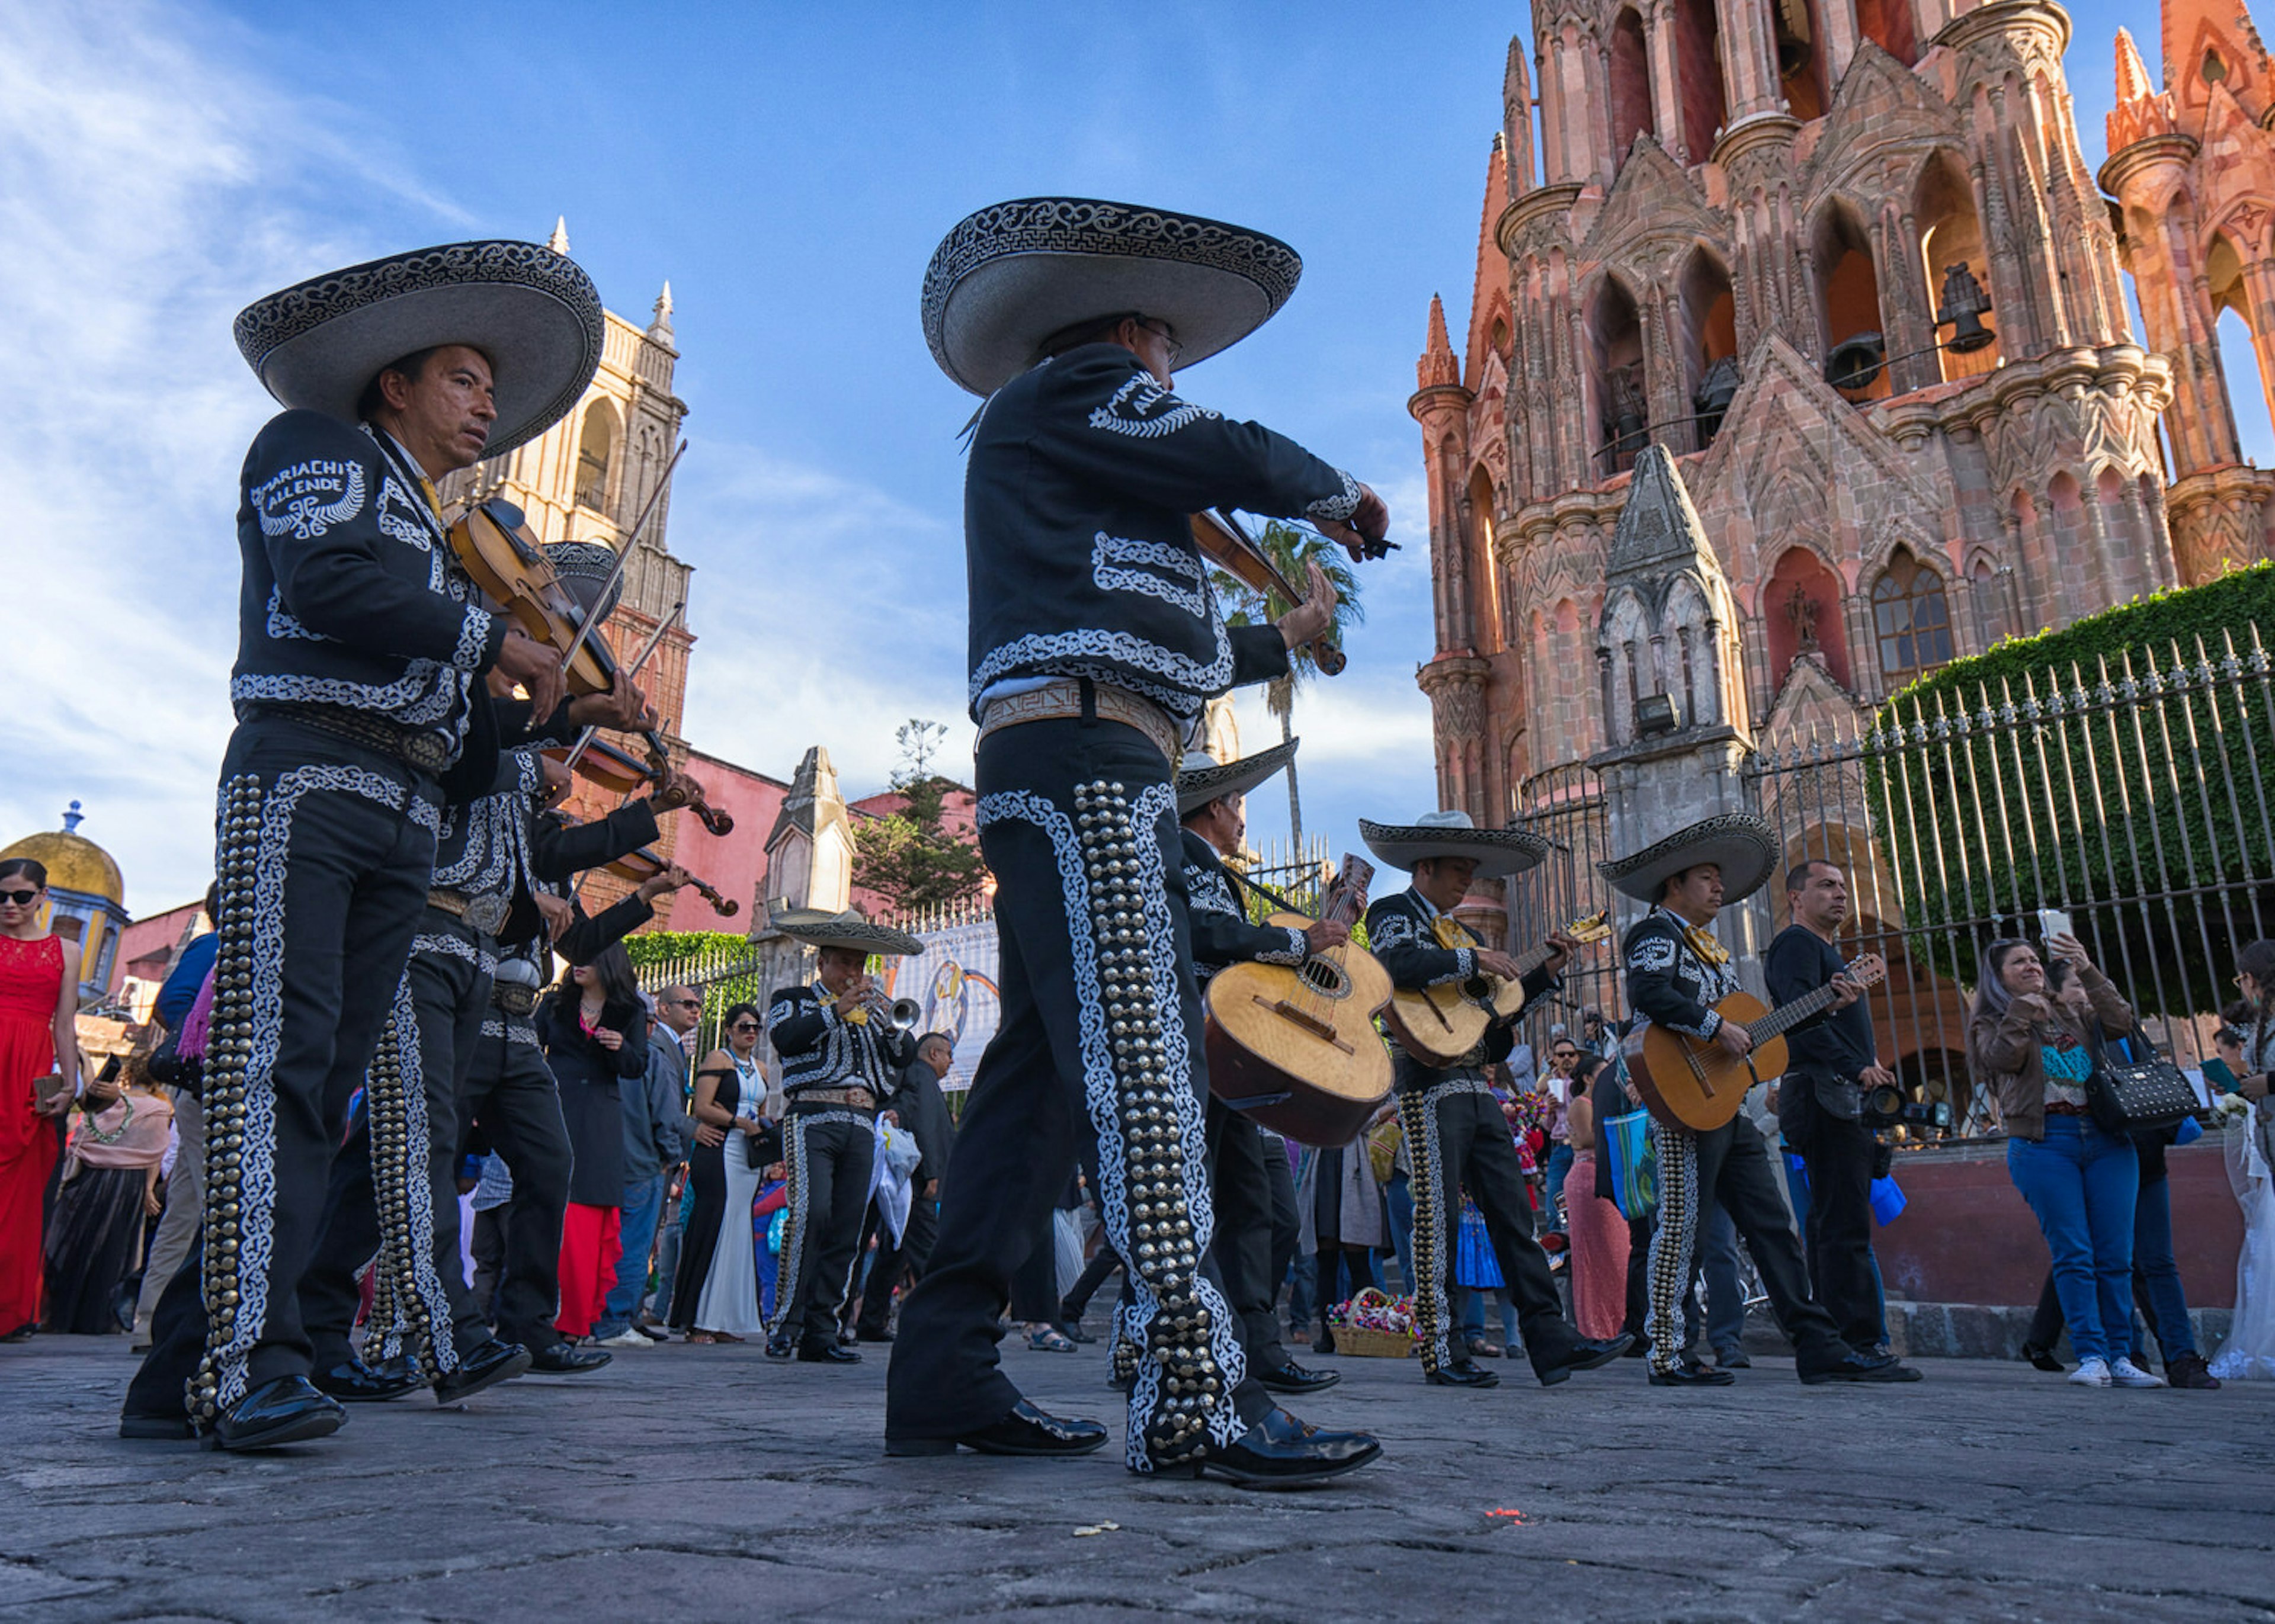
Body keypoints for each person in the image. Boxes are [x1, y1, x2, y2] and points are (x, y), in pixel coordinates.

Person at [887, 195, 1393, 1484]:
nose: (1171, 374)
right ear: (1128, 337)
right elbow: (1218, 444)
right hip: (1086, 761)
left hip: (1084, 746)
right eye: (1166, 350)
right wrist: (1332, 491)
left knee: (1041, 1090)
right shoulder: (1090, 390)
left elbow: (1171, 643)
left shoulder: (1084, 477)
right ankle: (1189, 1384)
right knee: (1147, 1057)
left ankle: (943, 1370)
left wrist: (1285, 636)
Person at [123, 238, 601, 1450]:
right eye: (462, 375)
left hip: (397, 806)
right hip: (308, 782)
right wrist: (494, 640)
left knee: (318, 1088)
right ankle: (244, 1368)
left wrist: (549, 708)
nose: (489, 401)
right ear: (393, 382)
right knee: (274, 1072)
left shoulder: (436, 535)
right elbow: (332, 581)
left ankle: (178, 1370)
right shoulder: (317, 450)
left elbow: (472, 752)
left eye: (489, 383)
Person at [1602, 813, 1918, 1388]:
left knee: (1772, 1225)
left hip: (1726, 1105)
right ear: (1675, 885)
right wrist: (1712, 1026)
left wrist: (1826, 1005)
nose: (1720, 887)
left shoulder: (1711, 950)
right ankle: (1669, 1353)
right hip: (1682, 1101)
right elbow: (1649, 992)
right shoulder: (1656, 935)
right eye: (1707, 877)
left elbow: (1758, 1033)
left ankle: (1817, 1343)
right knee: (1682, 1228)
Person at [1361, 809, 1632, 1388]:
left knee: (1514, 1215)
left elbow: (1491, 1025)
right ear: (1425, 866)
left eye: (1471, 869)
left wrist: (1541, 976)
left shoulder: (1472, 937)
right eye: (1458, 869)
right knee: (1438, 1217)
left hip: (1474, 1083)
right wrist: (1473, 960)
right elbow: (1397, 966)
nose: (1467, 879)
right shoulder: (1393, 914)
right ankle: (1442, 1347)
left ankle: (1550, 1341)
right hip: (1426, 1083)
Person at [1175, 740, 1353, 1407]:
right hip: (1204, 1047)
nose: (1244, 816)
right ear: (1216, 806)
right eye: (1239, 802)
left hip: (1230, 1056)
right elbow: (1209, 936)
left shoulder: (1209, 863)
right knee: (1220, 1208)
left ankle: (1258, 1346)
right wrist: (1297, 942)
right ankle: (1202, 1346)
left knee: (1263, 1209)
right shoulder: (1187, 856)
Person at [1968, 935, 2162, 1388]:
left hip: (2106, 1138)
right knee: (2074, 1253)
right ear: (1998, 977)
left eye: (2035, 960)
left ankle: (2121, 1356)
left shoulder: (2070, 1008)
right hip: (2045, 1143)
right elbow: (2001, 1060)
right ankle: (2091, 1354)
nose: (2033, 966)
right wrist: (2021, 1012)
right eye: (2019, 963)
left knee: (2115, 1256)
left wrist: (2088, 970)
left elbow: (2119, 1023)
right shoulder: (1991, 1021)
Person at [2017, 961, 2219, 1388]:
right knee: (2108, 1258)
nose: (2086, 995)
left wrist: (2089, 973)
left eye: (2088, 986)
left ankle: (2182, 1357)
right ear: (2055, 993)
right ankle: (2130, 1354)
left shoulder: (2114, 1026)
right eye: (2076, 987)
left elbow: (2121, 1021)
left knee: (2155, 1261)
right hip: (2103, 1152)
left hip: (2140, 1156)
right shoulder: (2065, 1035)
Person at [764, 913, 922, 1363]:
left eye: (860, 964)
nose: (854, 973)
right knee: (810, 1216)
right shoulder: (792, 999)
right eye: (845, 964)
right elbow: (788, 1039)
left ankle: (822, 1331)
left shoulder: (875, 1009)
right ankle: (784, 1325)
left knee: (848, 1229)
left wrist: (891, 1024)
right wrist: (836, 1009)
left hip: (860, 1122)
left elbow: (904, 1057)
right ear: (823, 963)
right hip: (812, 1114)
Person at [1765, 861, 1893, 1357]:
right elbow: (1798, 1024)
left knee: (1830, 1221)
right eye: (1826, 886)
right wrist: (1856, 1067)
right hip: (1825, 1093)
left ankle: (1839, 1338)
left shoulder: (1829, 953)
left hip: (1838, 1093)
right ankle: (1858, 1341)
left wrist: (1870, 1061)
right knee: (1842, 1226)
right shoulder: (1796, 945)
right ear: (1796, 897)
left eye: (1843, 886)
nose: (1840, 894)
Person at [536, 945, 649, 1344]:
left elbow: (637, 1067)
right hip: (555, 1107)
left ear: (609, 964)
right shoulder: (554, 1004)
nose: (578, 964)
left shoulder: (631, 1011)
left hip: (601, 1118)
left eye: (588, 957)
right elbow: (530, 1050)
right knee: (547, 1209)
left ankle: (574, 1323)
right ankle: (534, 1314)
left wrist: (621, 1048)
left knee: (586, 1219)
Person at [132, 885, 220, 1344]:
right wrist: (204, 1047)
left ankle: (150, 1322)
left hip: (201, 1091)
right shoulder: (214, 944)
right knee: (217, 1206)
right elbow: (172, 1003)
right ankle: (191, 1323)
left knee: (185, 1210)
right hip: (209, 1088)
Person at [595, 985, 702, 1347]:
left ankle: (597, 1317)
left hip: (604, 1160)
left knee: (602, 1243)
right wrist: (670, 1156)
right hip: (643, 1163)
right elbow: (667, 1114)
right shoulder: (650, 1057)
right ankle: (616, 1321)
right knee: (633, 1244)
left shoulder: (596, 1054)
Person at [1, 858, 81, 1343]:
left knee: (21, 1193)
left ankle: (8, 1307)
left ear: (42, 897)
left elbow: (64, 1024)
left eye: (21, 896)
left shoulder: (66, 952)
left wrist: (69, 1083)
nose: (10, 905)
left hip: (28, 1069)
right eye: (1, 896)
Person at [43, 1071, 173, 1334]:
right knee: (114, 1251)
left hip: (91, 1180)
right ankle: (101, 1315)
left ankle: (63, 1313)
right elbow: (154, 1153)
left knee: (79, 1245)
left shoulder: (109, 1105)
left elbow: (81, 1140)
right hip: (130, 1184)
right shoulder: (159, 1108)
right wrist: (149, 1190)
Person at [675, 1003, 773, 1343]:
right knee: (713, 1225)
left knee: (738, 1230)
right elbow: (702, 1107)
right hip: (719, 1147)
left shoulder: (761, 1068)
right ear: (729, 1029)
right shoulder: (718, 1059)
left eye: (756, 1027)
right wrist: (737, 1122)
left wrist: (758, 1129)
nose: (750, 1032)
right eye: (744, 1026)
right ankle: (698, 1319)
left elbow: (761, 1113)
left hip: (746, 1154)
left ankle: (728, 1317)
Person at [854, 1029, 957, 1343]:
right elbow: (924, 1127)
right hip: (915, 1180)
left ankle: (871, 1319)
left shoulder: (919, 1080)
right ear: (934, 1054)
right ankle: (944, 1319)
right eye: (948, 1055)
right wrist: (930, 1174)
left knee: (894, 1251)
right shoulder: (921, 1078)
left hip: (908, 1178)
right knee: (928, 1249)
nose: (951, 1063)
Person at [1561, 1054, 1631, 1340]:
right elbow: (1587, 1138)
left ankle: (1620, 1318)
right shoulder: (1582, 1103)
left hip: (1607, 1175)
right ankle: (1597, 1325)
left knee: (1619, 1252)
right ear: (1588, 1078)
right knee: (1596, 1255)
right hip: (1587, 1178)